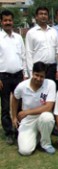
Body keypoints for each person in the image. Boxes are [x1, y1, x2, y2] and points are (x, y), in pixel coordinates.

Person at [11, 62, 56, 155]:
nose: (39, 79)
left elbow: (48, 107)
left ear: (45, 76)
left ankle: (46, 143)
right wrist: (14, 117)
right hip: (27, 120)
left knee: (47, 117)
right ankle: (38, 136)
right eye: (36, 75)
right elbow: (15, 97)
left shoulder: (50, 84)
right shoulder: (22, 86)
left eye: (42, 76)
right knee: (25, 151)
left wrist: (27, 112)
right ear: (32, 73)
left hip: (42, 116)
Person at [0, 10, 26, 145]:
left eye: (10, 20)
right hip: (3, 77)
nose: (8, 22)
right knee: (5, 107)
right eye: (5, 20)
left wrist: (25, 74)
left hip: (18, 76)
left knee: (20, 105)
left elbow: (23, 56)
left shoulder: (18, 37)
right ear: (1, 22)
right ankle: (9, 132)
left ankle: (19, 130)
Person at [25, 6, 58, 87]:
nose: (43, 16)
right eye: (41, 14)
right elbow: (28, 53)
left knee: (51, 93)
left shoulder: (53, 32)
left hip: (52, 69)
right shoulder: (31, 33)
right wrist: (31, 73)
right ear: (36, 16)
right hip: (38, 69)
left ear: (48, 16)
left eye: (45, 14)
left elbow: (57, 52)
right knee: (39, 95)